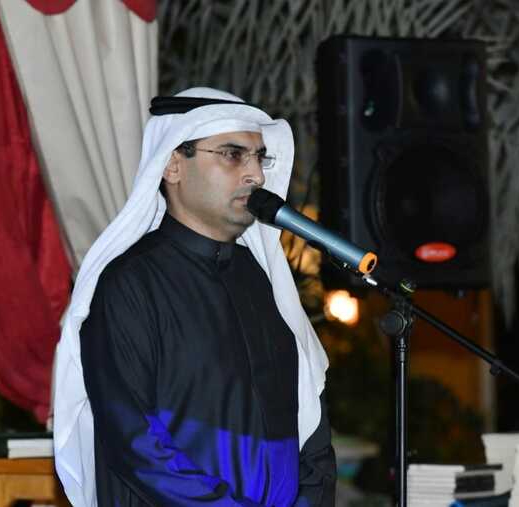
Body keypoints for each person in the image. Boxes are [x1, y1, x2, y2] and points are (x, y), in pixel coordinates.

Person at [53, 88, 336, 507]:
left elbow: (310, 426)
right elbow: (134, 441)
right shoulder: (129, 285)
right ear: (172, 165)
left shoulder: (264, 281)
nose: (256, 176)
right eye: (232, 154)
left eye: (259, 157)